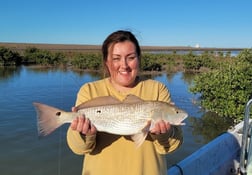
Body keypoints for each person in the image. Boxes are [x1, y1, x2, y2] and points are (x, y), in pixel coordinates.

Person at [66, 30, 183, 175]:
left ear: (139, 59)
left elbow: (172, 146)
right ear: (106, 62)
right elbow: (78, 148)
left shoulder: (157, 89)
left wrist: (166, 133)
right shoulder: (89, 90)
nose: (124, 65)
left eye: (131, 57)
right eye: (116, 58)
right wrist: (83, 133)